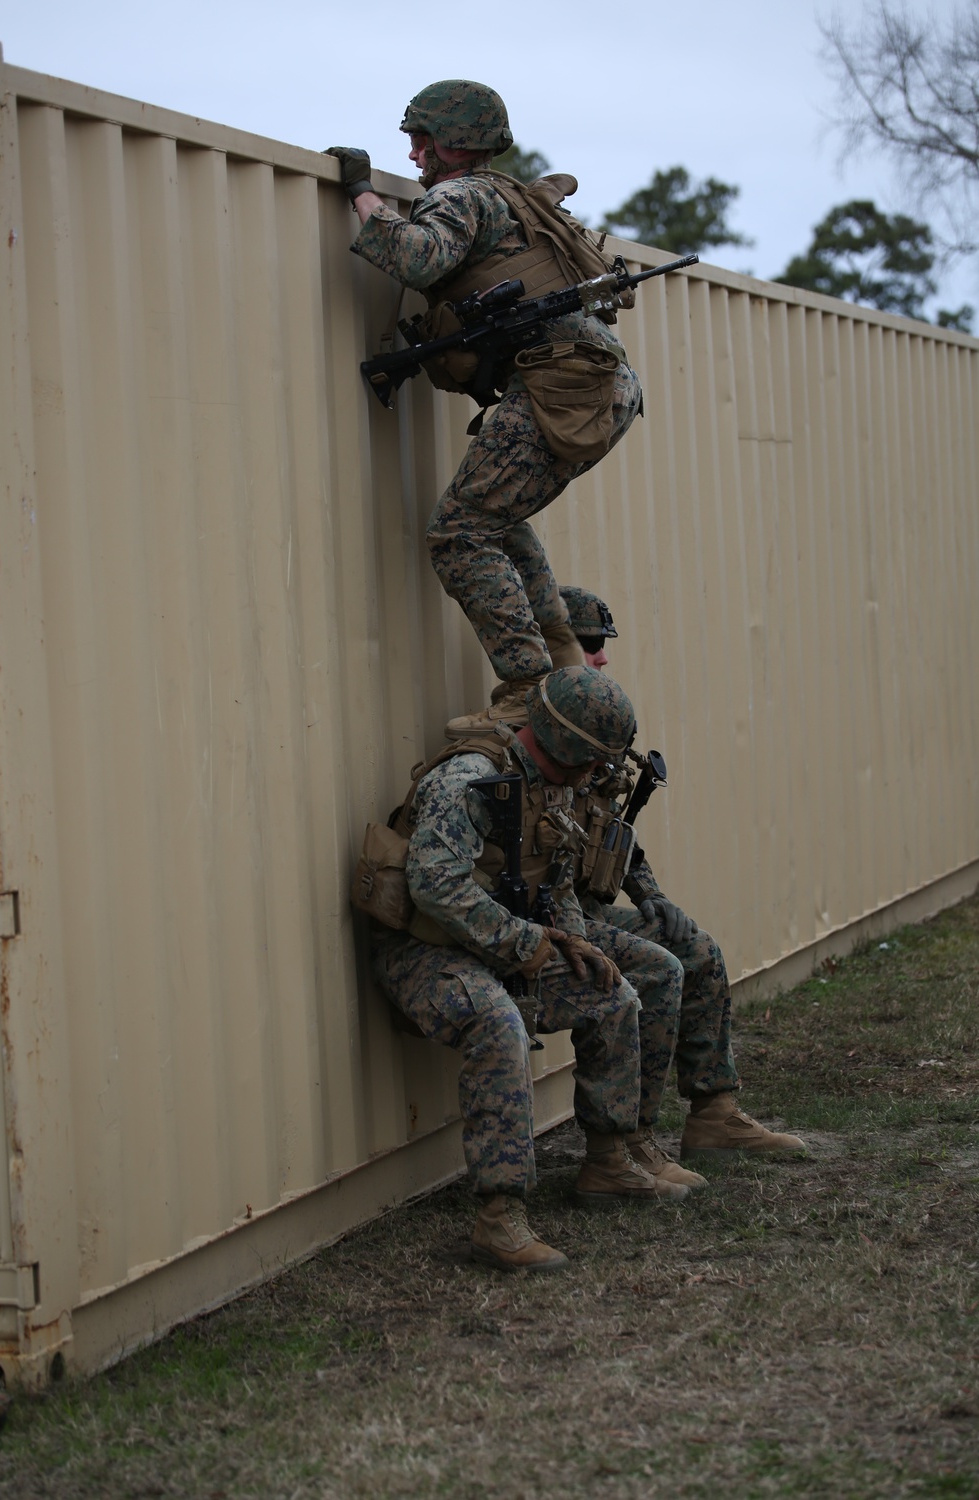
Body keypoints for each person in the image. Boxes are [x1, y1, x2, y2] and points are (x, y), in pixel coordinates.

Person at [326, 80, 642, 733]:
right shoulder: (511, 195)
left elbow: (415, 258)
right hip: (597, 382)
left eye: (422, 138)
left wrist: (360, 192)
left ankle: (528, 689)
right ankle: (561, 666)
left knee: (459, 532)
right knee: (493, 517)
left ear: (456, 141)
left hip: (561, 384)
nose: (413, 154)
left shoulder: (462, 194)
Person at [369, 667, 690, 1274]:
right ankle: (500, 1219)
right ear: (567, 750)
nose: (597, 776)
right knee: (498, 1021)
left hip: (506, 942)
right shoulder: (469, 781)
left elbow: (558, 879)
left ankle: (609, 1160)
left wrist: (569, 940)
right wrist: (527, 943)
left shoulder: (552, 786)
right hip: (422, 952)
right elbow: (435, 887)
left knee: (611, 993)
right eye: (592, 762)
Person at [560, 586, 808, 1181]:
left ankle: (714, 1114)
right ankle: (635, 1138)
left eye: (602, 647)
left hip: (590, 905)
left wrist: (649, 894)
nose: (601, 658)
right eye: (590, 645)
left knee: (695, 948)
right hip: (553, 918)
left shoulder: (594, 722)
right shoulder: (542, 731)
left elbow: (613, 825)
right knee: (656, 966)